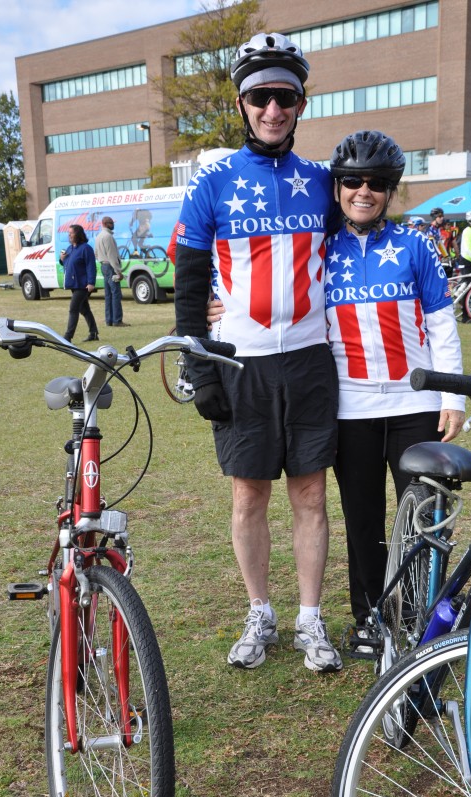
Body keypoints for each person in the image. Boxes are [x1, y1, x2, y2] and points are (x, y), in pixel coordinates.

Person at [174, 32, 342, 673]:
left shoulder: (324, 183)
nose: (273, 109)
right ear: (242, 104)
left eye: (285, 97)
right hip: (240, 363)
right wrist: (200, 359)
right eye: (259, 97)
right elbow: (191, 283)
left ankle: (308, 619)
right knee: (248, 498)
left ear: (301, 103)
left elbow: (354, 251)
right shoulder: (213, 181)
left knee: (309, 496)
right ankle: (259, 612)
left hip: (307, 360)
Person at [326, 131, 465, 641]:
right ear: (338, 186)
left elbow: (443, 325)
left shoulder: (416, 245)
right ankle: (369, 616)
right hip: (350, 408)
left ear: (390, 190)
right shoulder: (319, 249)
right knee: (362, 522)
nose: (365, 191)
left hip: (416, 405)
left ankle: (421, 614)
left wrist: (452, 398)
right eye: (353, 181)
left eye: (378, 183)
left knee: (424, 520)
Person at [60, 224, 99, 342]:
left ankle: (68, 337)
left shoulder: (86, 248)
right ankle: (94, 333)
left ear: (78, 234)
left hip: (83, 285)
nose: (69, 235)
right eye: (69, 233)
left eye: (71, 233)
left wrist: (91, 282)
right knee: (84, 309)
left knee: (73, 308)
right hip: (74, 284)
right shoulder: (70, 248)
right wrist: (61, 259)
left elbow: (91, 266)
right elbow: (67, 263)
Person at [94, 215, 127, 327]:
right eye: (111, 223)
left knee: (108, 295)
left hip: (103, 266)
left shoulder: (98, 236)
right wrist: (118, 271)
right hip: (110, 267)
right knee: (116, 294)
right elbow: (112, 255)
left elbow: (96, 253)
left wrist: (101, 261)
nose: (113, 225)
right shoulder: (108, 237)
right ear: (106, 224)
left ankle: (109, 320)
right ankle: (117, 320)